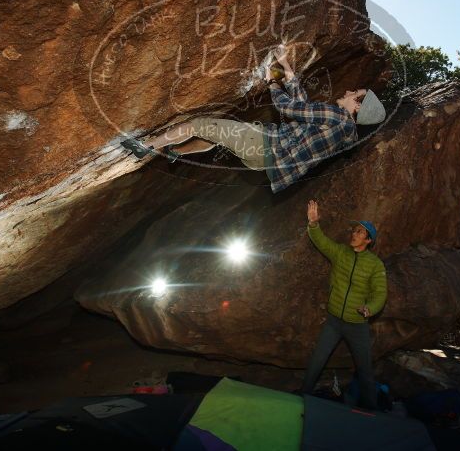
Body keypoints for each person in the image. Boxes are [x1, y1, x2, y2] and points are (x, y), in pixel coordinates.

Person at [121, 45, 387, 192]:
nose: (350, 91)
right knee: (216, 138)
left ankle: (145, 148)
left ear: (357, 109)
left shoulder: (338, 116)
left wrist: (272, 81)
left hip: (263, 144)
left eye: (356, 95)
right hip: (263, 164)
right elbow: (302, 106)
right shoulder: (342, 132)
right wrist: (286, 67)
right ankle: (176, 151)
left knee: (198, 124)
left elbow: (288, 108)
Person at [300, 199, 387, 410]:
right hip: (334, 321)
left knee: (365, 371)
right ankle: (301, 400)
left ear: (368, 240)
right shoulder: (340, 253)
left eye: (359, 232)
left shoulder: (375, 264)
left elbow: (380, 293)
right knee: (316, 362)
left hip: (357, 325)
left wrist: (370, 308)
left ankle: (371, 412)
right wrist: (313, 224)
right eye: (354, 231)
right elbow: (321, 242)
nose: (354, 234)